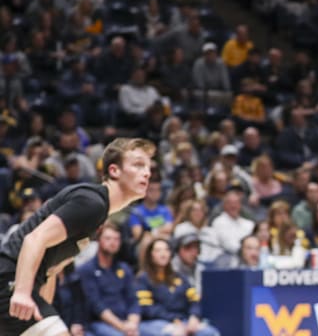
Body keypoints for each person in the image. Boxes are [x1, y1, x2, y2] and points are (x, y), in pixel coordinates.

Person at [1, 137, 154, 336]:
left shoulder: (97, 214)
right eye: (138, 165)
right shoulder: (92, 202)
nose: (147, 172)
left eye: (149, 167)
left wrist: (46, 309)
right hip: (8, 279)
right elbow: (34, 240)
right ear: (114, 170)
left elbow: (52, 269)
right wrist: (22, 292)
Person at [134, 238, 220, 336]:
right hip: (155, 322)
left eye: (166, 250)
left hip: (183, 320)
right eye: (158, 250)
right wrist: (173, 319)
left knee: (211, 332)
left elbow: (195, 300)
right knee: (176, 334)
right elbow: (147, 308)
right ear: (150, 255)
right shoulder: (143, 279)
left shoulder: (181, 277)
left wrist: (194, 316)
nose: (163, 254)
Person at [78, 222, 140, 336]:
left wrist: (132, 324)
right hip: (99, 323)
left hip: (127, 321)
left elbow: (133, 300)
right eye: (108, 238)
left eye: (117, 239)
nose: (113, 243)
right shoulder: (86, 270)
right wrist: (122, 327)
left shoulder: (124, 268)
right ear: (98, 240)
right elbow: (96, 306)